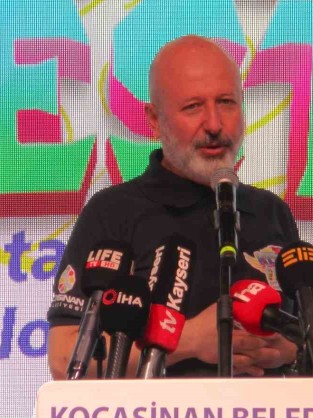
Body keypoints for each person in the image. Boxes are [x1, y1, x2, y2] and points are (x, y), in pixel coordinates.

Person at [47, 35, 299, 379]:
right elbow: (64, 358)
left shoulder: (271, 212)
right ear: (154, 120)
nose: (214, 125)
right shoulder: (113, 212)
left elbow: (309, 347)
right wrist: (188, 340)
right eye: (193, 107)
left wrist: (287, 351)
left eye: (226, 102)